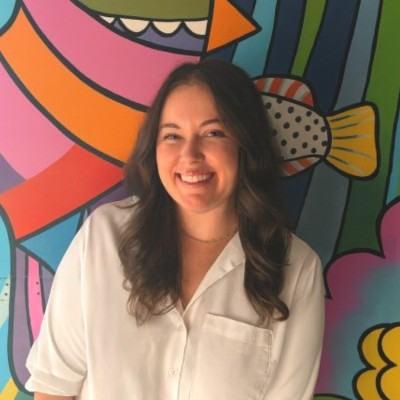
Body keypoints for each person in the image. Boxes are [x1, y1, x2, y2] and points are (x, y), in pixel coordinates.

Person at [25, 59, 325, 399]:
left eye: (213, 133)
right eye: (172, 135)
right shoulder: (103, 239)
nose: (190, 155)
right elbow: (53, 386)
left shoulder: (296, 269)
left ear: (245, 143)